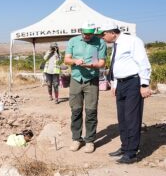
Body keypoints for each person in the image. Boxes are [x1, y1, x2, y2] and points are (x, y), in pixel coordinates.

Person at [104, 26, 155, 164]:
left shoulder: (133, 41)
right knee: (122, 118)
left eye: (103, 34)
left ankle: (131, 153)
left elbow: (143, 62)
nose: (102, 37)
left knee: (132, 117)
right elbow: (116, 65)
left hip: (133, 82)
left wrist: (144, 84)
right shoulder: (116, 45)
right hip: (120, 84)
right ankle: (125, 147)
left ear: (112, 33)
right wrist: (114, 84)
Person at [65, 27, 108, 150]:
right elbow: (66, 59)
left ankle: (89, 140)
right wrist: (75, 61)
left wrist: (92, 65)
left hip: (92, 79)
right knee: (76, 110)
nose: (87, 36)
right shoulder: (73, 41)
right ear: (81, 32)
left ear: (93, 33)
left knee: (91, 111)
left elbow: (102, 62)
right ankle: (76, 139)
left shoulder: (100, 42)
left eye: (90, 34)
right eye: (85, 34)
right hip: (76, 79)